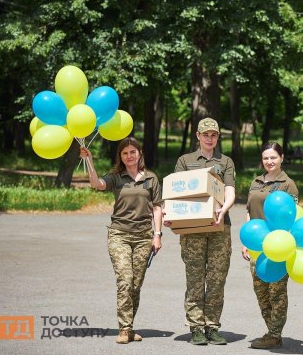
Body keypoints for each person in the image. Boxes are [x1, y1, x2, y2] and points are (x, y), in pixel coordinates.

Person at [80, 137, 163, 344]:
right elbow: (96, 184)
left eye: (132, 152)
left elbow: (157, 207)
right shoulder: (117, 176)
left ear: (139, 153)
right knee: (125, 280)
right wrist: (89, 160)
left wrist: (157, 235)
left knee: (136, 285)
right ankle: (124, 329)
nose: (129, 156)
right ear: (121, 156)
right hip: (119, 235)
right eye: (124, 153)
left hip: (144, 236)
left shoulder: (151, 178)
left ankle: (130, 326)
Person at [165, 117, 236, 346]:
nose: (209, 138)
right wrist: (170, 215)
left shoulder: (225, 162)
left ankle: (212, 326)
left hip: (219, 227)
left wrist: (222, 211)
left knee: (217, 279)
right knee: (195, 278)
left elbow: (230, 192)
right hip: (192, 229)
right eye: (205, 134)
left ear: (217, 137)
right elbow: (175, 192)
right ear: (198, 136)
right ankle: (195, 327)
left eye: (213, 135)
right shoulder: (185, 161)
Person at [241, 142, 298, 349]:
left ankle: (274, 334)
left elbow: (293, 216)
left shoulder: (287, 184)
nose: (269, 161)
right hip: (257, 244)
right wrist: (246, 242)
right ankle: (272, 331)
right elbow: (249, 211)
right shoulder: (256, 181)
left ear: (281, 158)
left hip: (278, 246)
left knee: (277, 291)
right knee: (261, 292)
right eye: (266, 158)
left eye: (273, 157)